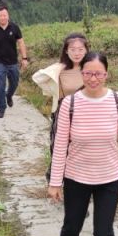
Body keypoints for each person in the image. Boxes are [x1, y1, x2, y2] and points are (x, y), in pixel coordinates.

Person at [48, 52, 118, 236]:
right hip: (76, 177)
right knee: (71, 225)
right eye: (88, 73)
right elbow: (60, 145)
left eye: (98, 74)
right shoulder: (70, 103)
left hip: (109, 177)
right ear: (82, 73)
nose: (93, 79)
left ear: (106, 74)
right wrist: (55, 182)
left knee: (104, 231)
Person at [32, 33, 89, 181]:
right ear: (66, 51)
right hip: (63, 114)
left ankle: (78, 180)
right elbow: (37, 78)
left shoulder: (89, 69)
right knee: (60, 149)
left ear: (86, 51)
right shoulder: (59, 69)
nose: (77, 53)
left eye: (80, 49)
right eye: (73, 49)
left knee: (82, 151)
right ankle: (55, 178)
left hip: (86, 116)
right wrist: (58, 69)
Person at [0, 5, 29, 118]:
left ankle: (9, 95)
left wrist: (24, 58)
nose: (3, 17)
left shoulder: (14, 27)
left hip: (13, 62)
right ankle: (2, 108)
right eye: (0, 15)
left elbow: (21, 43)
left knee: (14, 83)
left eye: (5, 15)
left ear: (8, 15)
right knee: (0, 87)